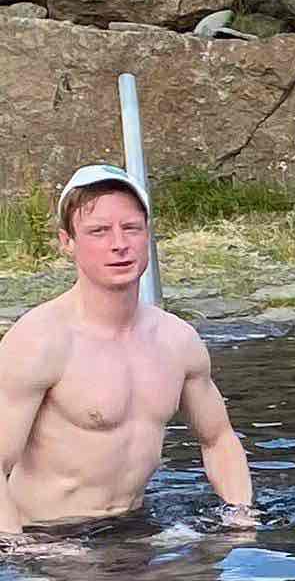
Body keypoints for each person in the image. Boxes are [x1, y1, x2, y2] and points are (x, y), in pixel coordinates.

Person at [0, 167, 254, 545]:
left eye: (131, 228)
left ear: (147, 235)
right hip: (48, 538)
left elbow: (218, 439)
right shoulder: (39, 341)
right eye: (98, 231)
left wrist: (241, 518)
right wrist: (22, 551)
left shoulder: (177, 340)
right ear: (67, 242)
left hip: (135, 526)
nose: (119, 244)